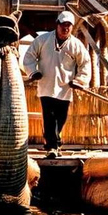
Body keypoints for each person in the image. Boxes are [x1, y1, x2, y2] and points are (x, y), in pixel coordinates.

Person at [23, 11, 91, 158]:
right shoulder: (43, 40)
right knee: (49, 117)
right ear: (57, 24)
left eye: (68, 26)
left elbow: (85, 63)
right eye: (62, 25)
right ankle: (52, 147)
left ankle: (54, 142)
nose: (65, 28)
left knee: (61, 118)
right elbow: (29, 56)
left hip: (65, 88)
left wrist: (79, 80)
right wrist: (33, 72)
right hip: (46, 86)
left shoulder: (76, 45)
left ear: (71, 27)